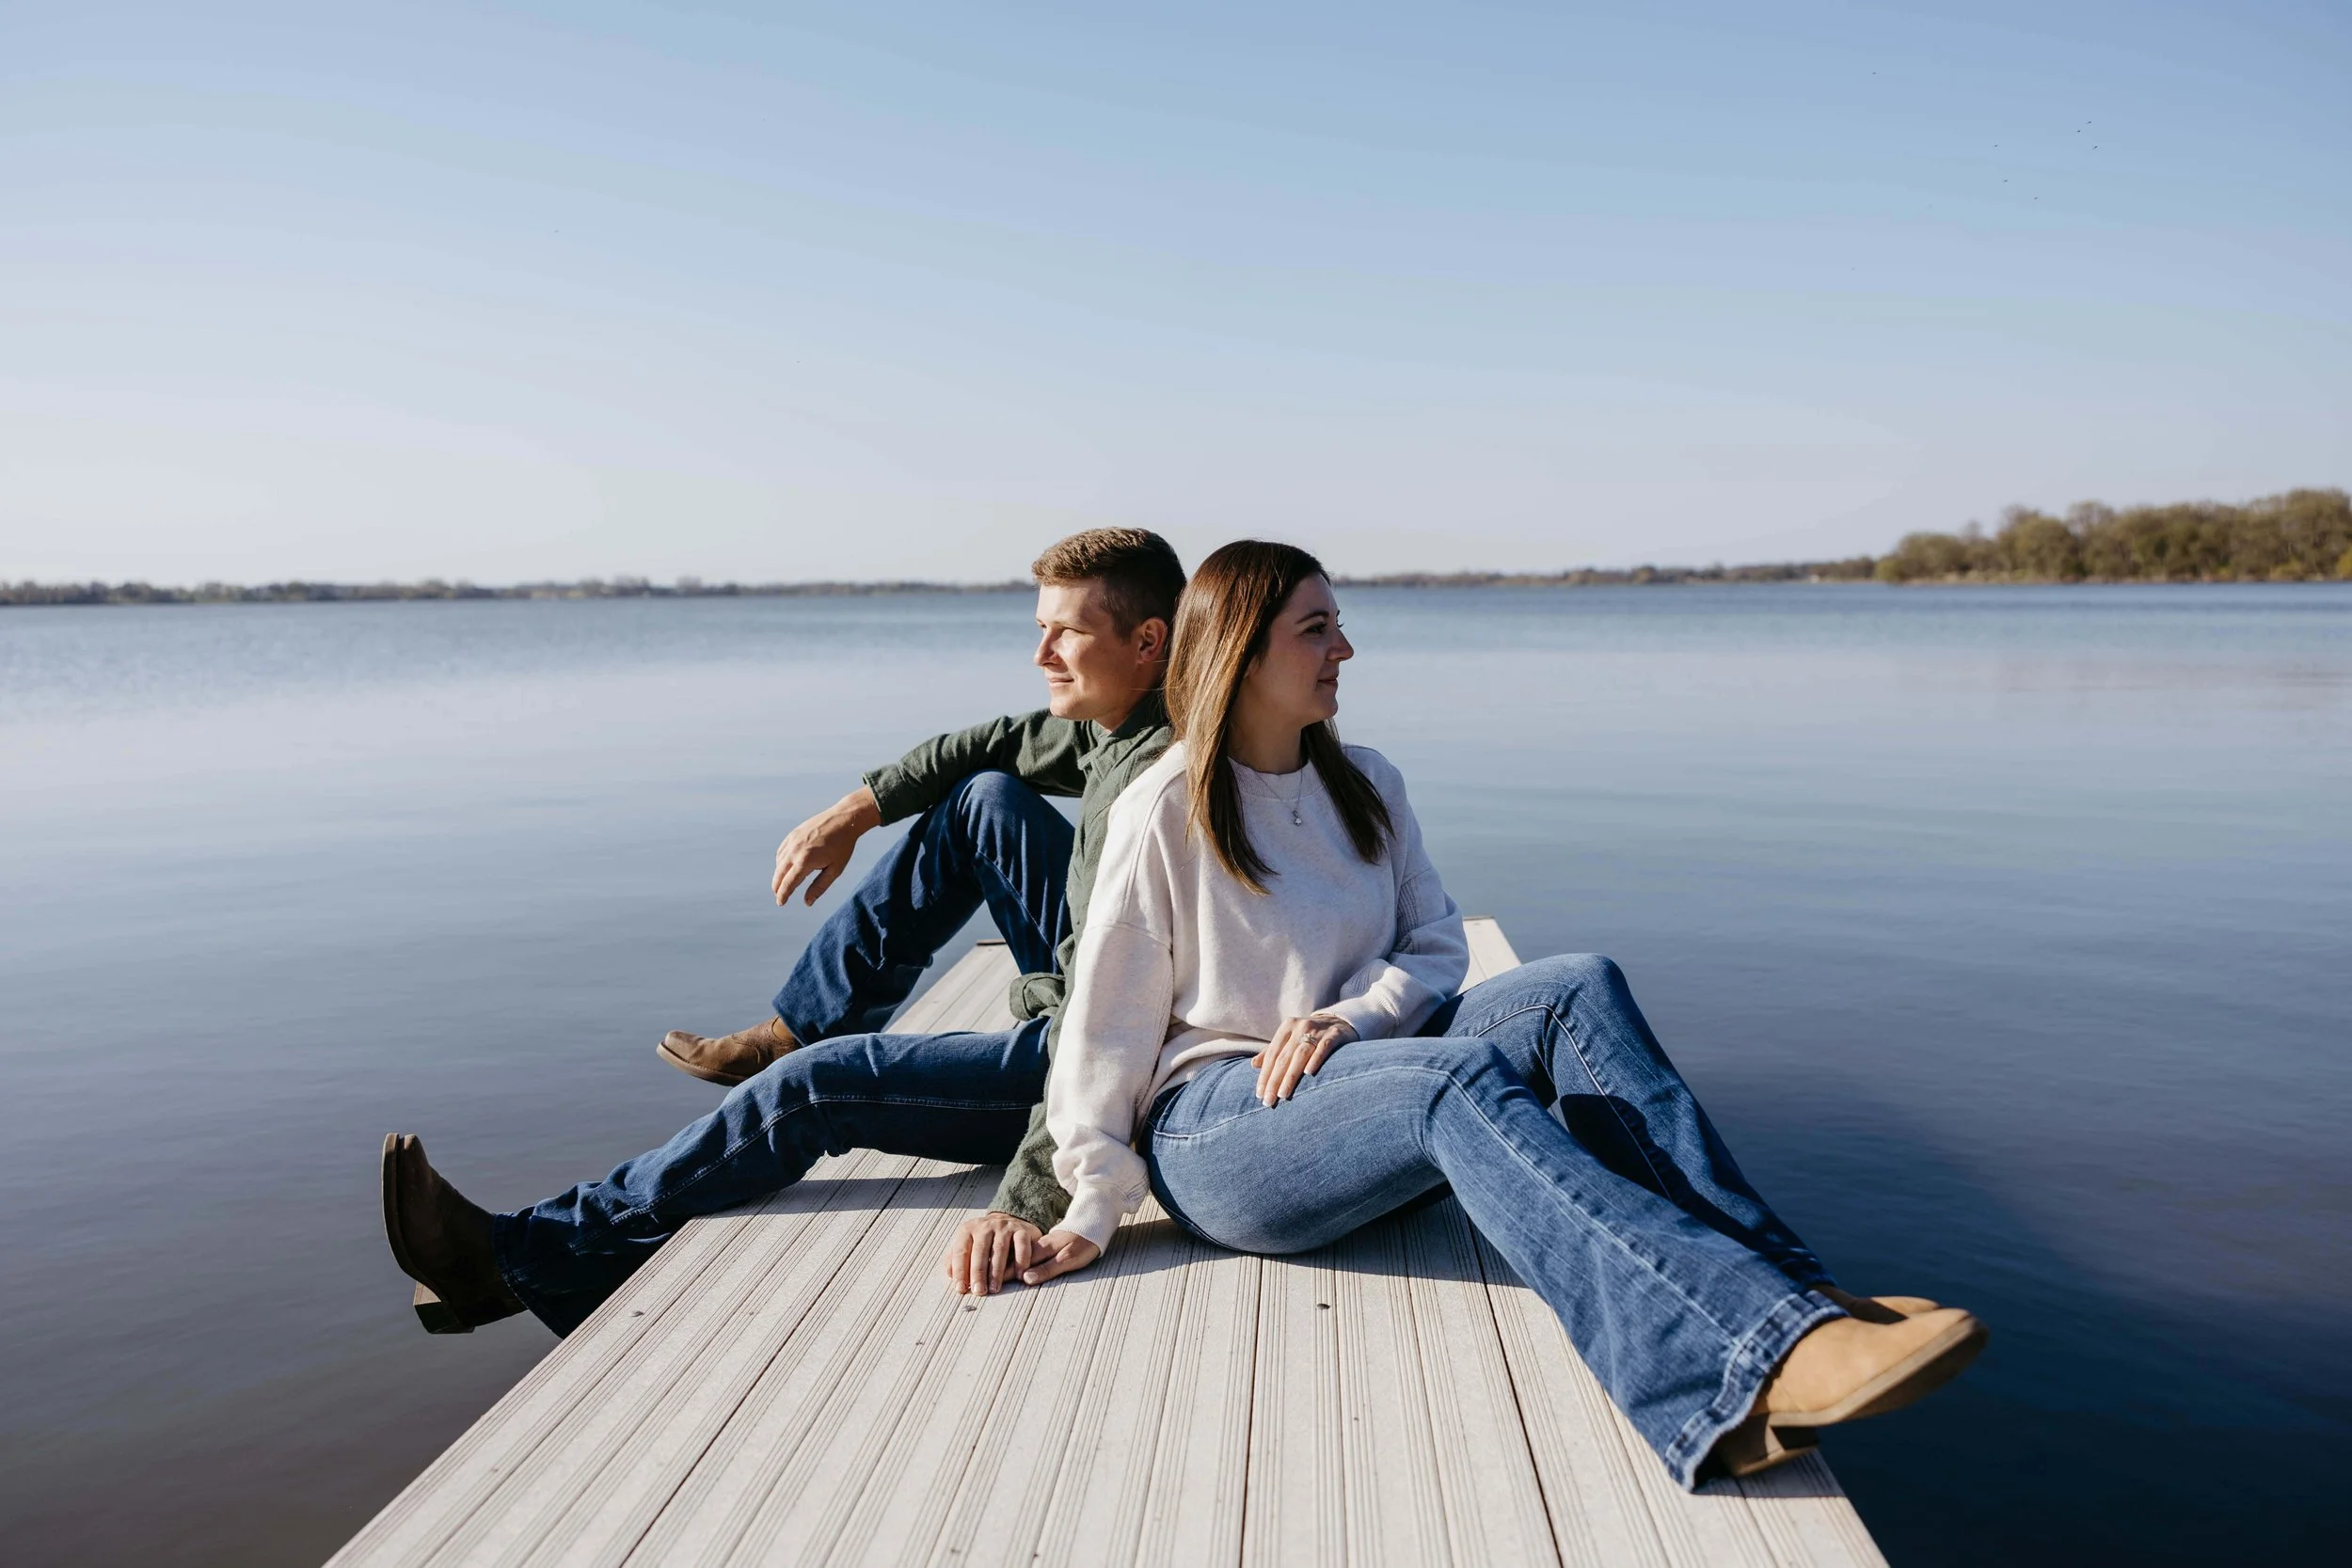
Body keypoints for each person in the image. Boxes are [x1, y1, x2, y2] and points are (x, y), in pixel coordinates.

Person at [1004, 539, 1985, 1486]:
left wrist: (1352, 1017)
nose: (1343, 649)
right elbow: (1106, 1020)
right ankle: (1723, 1375)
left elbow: (1436, 943)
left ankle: (1788, 1293)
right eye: (1315, 629)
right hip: (1218, 1130)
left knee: (1574, 984)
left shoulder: (1368, 784)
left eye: (1338, 626)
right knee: (1452, 1076)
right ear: (1243, 649)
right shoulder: (1165, 802)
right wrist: (1084, 1201)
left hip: (1356, 1077)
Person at [381, 528, 1182, 1336]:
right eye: (1038, 628)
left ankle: (517, 1260)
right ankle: (797, 1025)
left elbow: (1103, 1035)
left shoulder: (1152, 788)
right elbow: (992, 746)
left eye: (1065, 632)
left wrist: (1029, 1199)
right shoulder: (1122, 720)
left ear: (1147, 641)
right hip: (1092, 1002)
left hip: (1098, 1065)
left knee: (816, 1088)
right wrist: (852, 812)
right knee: (983, 798)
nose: (1040, 653)